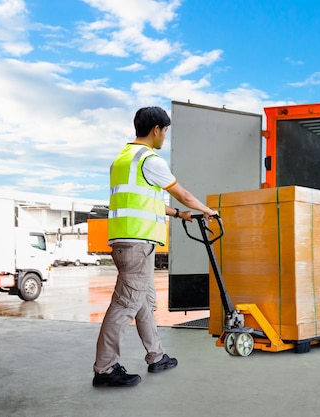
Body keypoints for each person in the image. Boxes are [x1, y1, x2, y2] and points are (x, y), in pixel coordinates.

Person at [92, 106, 218, 387]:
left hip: (127, 242)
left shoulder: (123, 159)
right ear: (156, 130)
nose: (165, 137)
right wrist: (206, 210)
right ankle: (105, 368)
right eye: (165, 131)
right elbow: (182, 193)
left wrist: (179, 215)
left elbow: (146, 202)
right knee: (124, 305)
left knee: (143, 304)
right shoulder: (150, 160)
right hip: (138, 245)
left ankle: (157, 355)